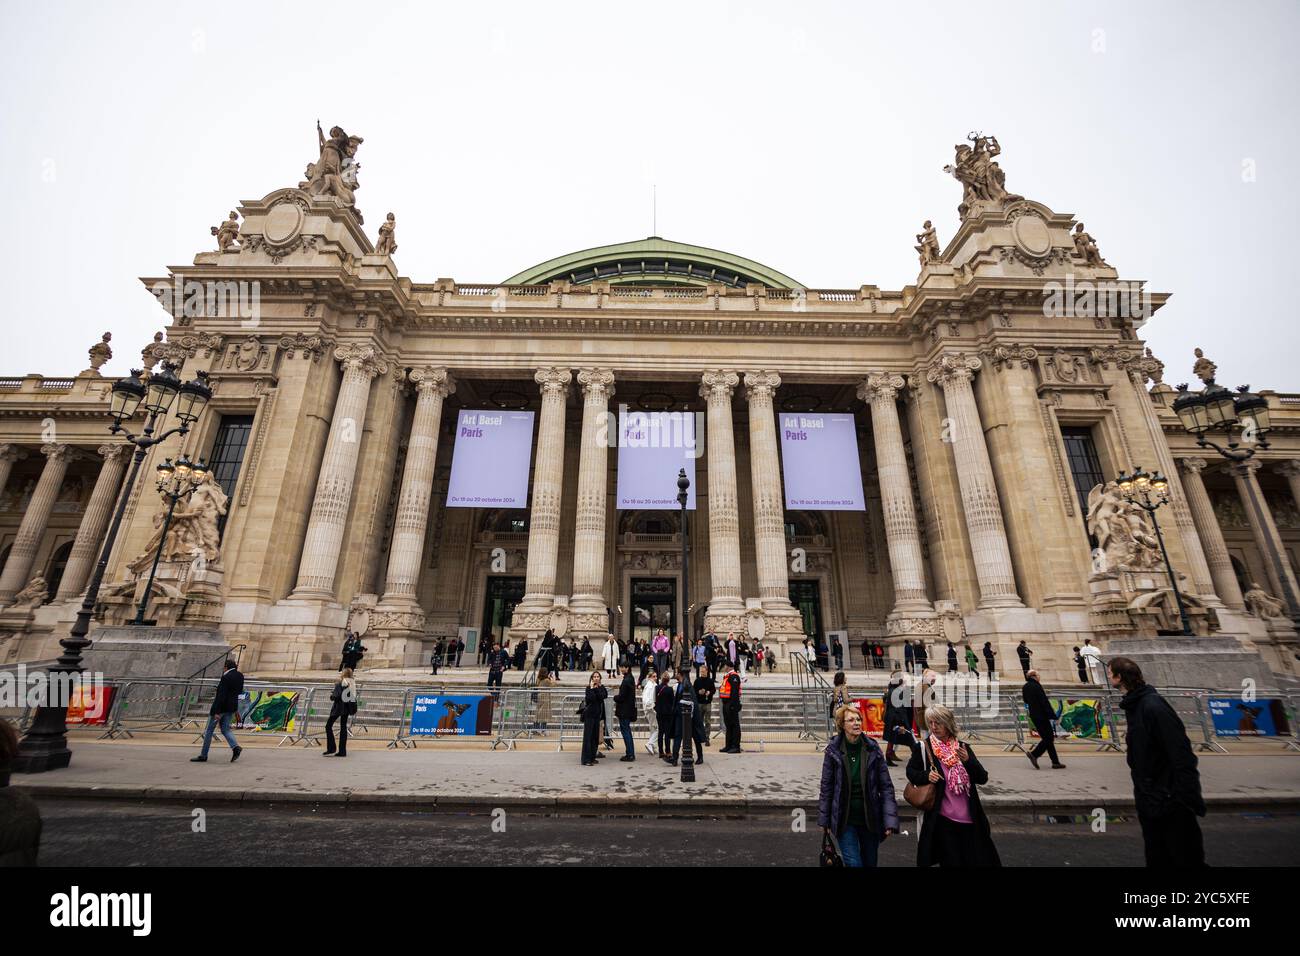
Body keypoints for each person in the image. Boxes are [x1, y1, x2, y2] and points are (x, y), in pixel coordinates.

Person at [1110, 656, 1207, 867]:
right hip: (1150, 795)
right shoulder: (1135, 705)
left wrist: (1187, 798)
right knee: (1158, 855)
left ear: (1119, 677)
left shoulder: (1152, 706)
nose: (1108, 678)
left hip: (1169, 798)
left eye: (1110, 674)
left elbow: (1181, 753)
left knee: (1184, 858)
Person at [906, 705, 1001, 867]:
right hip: (943, 819)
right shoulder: (924, 748)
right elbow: (911, 772)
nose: (934, 727)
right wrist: (926, 775)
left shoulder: (962, 747)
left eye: (938, 723)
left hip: (970, 818)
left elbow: (982, 778)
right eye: (931, 723)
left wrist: (968, 762)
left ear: (948, 724)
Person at [819, 705, 899, 867]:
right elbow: (827, 788)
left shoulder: (872, 748)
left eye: (858, 719)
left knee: (870, 862)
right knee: (854, 863)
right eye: (851, 720)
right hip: (845, 820)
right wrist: (825, 820)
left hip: (870, 819)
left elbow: (886, 787)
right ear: (842, 725)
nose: (856, 723)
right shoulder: (833, 750)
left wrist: (890, 819)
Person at [192, 658, 243, 763]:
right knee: (225, 729)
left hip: (221, 708)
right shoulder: (240, 675)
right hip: (231, 707)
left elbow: (221, 696)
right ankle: (235, 747)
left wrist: (216, 712)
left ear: (226, 667)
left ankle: (203, 755)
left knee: (209, 731)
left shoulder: (225, 677)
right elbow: (239, 691)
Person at [1022, 670, 1066, 769]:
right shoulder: (1037, 686)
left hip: (1034, 715)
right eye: (1038, 675)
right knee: (1049, 738)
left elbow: (1025, 700)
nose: (1039, 677)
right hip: (1042, 715)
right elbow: (1044, 702)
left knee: (1048, 738)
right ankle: (1034, 754)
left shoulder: (1025, 686)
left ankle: (1055, 762)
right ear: (1034, 676)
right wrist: (1054, 716)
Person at [669, 667, 705, 766]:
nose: (675, 674)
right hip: (680, 715)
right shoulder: (681, 684)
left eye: (676, 672)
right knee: (677, 736)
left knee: (695, 737)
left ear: (680, 674)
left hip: (688, 717)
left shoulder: (686, 684)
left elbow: (690, 701)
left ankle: (700, 756)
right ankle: (674, 758)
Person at [882, 671, 915, 767]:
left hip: (891, 717)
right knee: (910, 738)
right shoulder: (900, 690)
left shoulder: (891, 689)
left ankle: (889, 756)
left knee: (892, 738)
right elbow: (901, 707)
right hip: (898, 718)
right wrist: (903, 722)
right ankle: (917, 757)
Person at [322, 667, 356, 757]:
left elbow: (335, 697)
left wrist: (332, 695)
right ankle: (342, 751)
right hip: (347, 708)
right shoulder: (352, 683)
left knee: (328, 726)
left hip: (338, 708)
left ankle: (331, 748)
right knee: (343, 728)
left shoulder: (340, 684)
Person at [580, 671, 608, 766]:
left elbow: (603, 696)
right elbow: (590, 699)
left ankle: (592, 757)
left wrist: (596, 689)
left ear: (600, 678)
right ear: (591, 678)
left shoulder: (602, 688)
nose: (596, 678)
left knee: (595, 737)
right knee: (588, 737)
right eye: (594, 677)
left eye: (598, 676)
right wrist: (592, 688)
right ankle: (586, 759)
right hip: (589, 715)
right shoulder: (588, 688)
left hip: (597, 716)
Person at [613, 661, 637, 761]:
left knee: (626, 731)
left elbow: (622, 697)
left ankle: (630, 754)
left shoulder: (627, 680)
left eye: (623, 667)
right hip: (628, 709)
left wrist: (615, 697)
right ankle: (630, 752)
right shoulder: (630, 678)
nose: (621, 669)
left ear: (627, 668)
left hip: (624, 710)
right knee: (627, 731)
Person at [719, 663, 743, 753]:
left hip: (731, 703)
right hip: (726, 703)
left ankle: (736, 746)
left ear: (728, 666)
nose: (724, 667)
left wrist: (733, 705)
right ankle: (728, 745)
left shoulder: (734, 676)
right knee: (728, 725)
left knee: (734, 725)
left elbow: (735, 692)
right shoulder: (727, 676)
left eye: (725, 666)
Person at [654, 671, 676, 759]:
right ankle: (667, 751)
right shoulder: (670, 689)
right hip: (667, 713)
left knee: (660, 732)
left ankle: (660, 751)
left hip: (659, 712)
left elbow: (656, 698)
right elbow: (672, 702)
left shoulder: (657, 688)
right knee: (667, 733)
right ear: (668, 680)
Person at [693, 666, 716, 747]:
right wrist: (698, 692)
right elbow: (693, 691)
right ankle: (700, 736)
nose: (702, 673)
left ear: (707, 671)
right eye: (701, 672)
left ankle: (707, 738)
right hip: (699, 703)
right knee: (699, 721)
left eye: (703, 671)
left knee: (708, 722)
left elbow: (714, 690)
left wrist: (709, 692)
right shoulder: (697, 680)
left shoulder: (710, 681)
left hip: (707, 703)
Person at [641, 669, 659, 754]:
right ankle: (650, 743)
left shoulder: (652, 685)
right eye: (653, 676)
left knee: (653, 728)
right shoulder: (650, 686)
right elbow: (647, 699)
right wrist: (652, 708)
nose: (655, 678)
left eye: (656, 676)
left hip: (650, 709)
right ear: (649, 677)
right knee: (658, 728)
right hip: (651, 709)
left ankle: (653, 746)